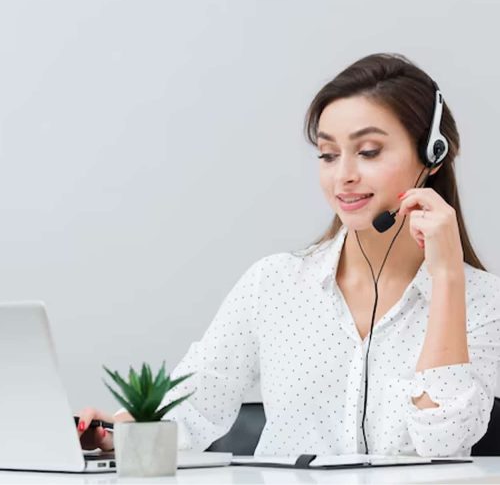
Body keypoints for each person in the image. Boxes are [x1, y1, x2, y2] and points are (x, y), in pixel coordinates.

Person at [77, 53, 500, 457]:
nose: (343, 175)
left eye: (368, 152)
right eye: (328, 154)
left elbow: (443, 441)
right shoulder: (275, 283)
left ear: (433, 156)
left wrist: (446, 279)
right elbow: (195, 401)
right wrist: (119, 433)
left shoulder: (481, 300)